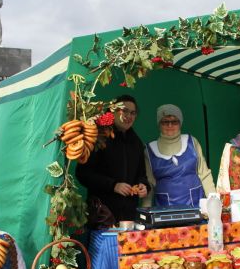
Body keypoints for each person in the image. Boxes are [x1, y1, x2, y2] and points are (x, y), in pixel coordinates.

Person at [75, 94, 149, 223]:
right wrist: (113, 185)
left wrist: (144, 186)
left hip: (128, 216)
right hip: (102, 214)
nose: (129, 116)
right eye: (124, 111)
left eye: (133, 113)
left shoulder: (136, 142)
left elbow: (142, 174)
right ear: (112, 111)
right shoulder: (99, 137)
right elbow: (83, 173)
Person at [143, 104, 215, 207]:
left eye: (174, 121)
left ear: (180, 123)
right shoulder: (149, 150)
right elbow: (149, 184)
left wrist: (214, 201)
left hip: (196, 207)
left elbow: (205, 175)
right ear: (159, 124)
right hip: (166, 212)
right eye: (165, 122)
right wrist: (145, 212)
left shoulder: (192, 142)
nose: (170, 126)